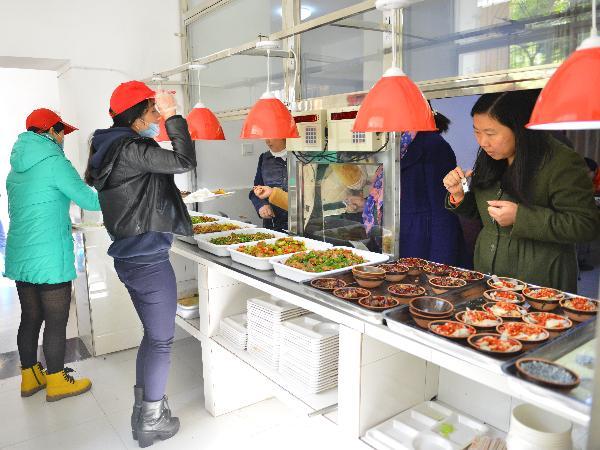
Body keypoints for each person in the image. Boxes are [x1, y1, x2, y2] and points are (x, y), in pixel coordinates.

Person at [86, 81, 196, 448]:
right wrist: (174, 115)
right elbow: (184, 161)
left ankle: (145, 410)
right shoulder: (133, 148)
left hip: (130, 256)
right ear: (136, 116)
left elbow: (135, 189)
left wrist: (164, 195)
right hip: (148, 259)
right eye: (153, 112)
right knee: (162, 340)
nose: (157, 119)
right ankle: (151, 420)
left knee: (153, 335)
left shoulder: (108, 147)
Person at [444, 91, 600, 292]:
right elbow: (483, 213)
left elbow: (586, 225)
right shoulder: (490, 157)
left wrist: (521, 217)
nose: (482, 142)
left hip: (539, 279)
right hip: (490, 272)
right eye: (477, 132)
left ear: (519, 128)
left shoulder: (561, 162)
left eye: (490, 133)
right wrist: (460, 194)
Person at [4, 108, 100, 401]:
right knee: (56, 320)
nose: (63, 138)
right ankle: (57, 380)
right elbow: (89, 200)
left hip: (20, 254)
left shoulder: (15, 168)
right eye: (62, 133)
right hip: (48, 255)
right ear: (51, 132)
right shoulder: (56, 162)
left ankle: (30, 378)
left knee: (30, 316)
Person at [249, 138, 288, 231]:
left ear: (284, 136)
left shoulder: (303, 157)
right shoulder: (264, 158)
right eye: (266, 137)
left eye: (271, 136)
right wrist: (261, 205)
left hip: (300, 224)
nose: (267, 141)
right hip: (273, 224)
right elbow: (256, 190)